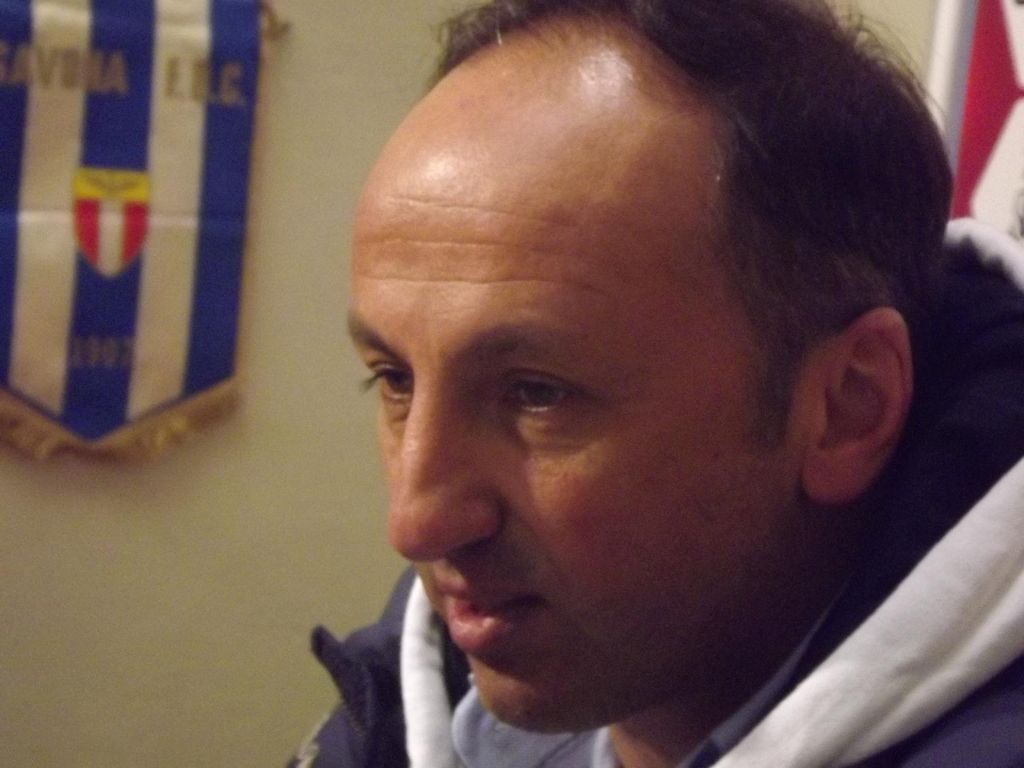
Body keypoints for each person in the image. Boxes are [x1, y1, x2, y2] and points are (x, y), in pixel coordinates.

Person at [289, 1, 1024, 765]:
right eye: (394, 379)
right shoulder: (421, 689)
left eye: (536, 393)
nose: (415, 523)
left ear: (848, 408)